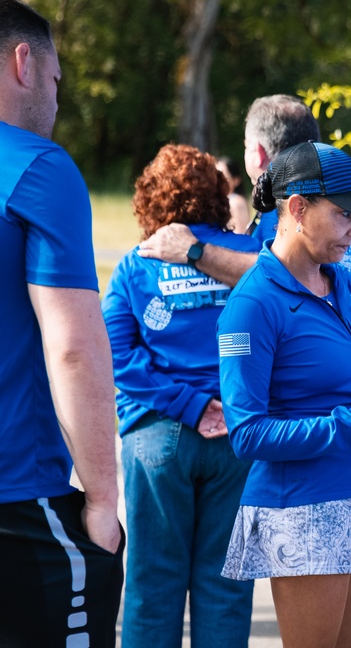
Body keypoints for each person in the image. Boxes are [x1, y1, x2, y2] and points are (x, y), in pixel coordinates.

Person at [218, 141, 351, 646]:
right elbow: (246, 434)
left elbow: (340, 392)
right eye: (346, 214)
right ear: (297, 209)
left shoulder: (342, 285)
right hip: (299, 509)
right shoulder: (251, 305)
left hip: (349, 495)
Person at [0, 0, 123, 647]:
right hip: (18, 501)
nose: (55, 98)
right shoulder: (36, 165)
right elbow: (73, 344)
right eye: (56, 80)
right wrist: (101, 499)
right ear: (25, 62)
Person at [102, 145, 262, 646]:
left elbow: (115, 354)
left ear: (150, 199)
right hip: (237, 435)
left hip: (156, 437)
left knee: (152, 582)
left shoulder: (137, 264)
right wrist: (216, 406)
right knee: (226, 585)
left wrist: (187, 407)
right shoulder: (246, 261)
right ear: (220, 196)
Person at [137, 95, 351, 300]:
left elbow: (283, 275)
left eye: (246, 146)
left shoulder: (286, 205)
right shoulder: (344, 210)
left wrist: (193, 250)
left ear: (258, 152)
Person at [217, 155, 250, 233]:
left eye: (223, 177)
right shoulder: (226, 201)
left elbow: (240, 234)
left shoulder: (235, 202)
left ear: (236, 180)